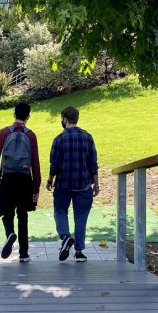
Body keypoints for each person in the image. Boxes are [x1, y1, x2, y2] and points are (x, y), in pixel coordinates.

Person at [46, 106, 99, 263]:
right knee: (81, 217)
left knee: (60, 211)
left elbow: (54, 164)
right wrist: (96, 184)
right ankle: (79, 251)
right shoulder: (88, 137)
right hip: (83, 185)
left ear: (64, 119)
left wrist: (50, 180)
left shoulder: (59, 139)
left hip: (63, 184)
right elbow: (93, 163)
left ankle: (65, 237)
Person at [0, 101, 41, 263]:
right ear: (28, 117)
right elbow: (36, 163)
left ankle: (10, 233)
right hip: (25, 178)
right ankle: (24, 253)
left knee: (6, 210)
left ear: (14, 114)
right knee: (23, 215)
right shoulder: (31, 135)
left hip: (8, 177)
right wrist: (36, 188)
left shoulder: (4, 132)